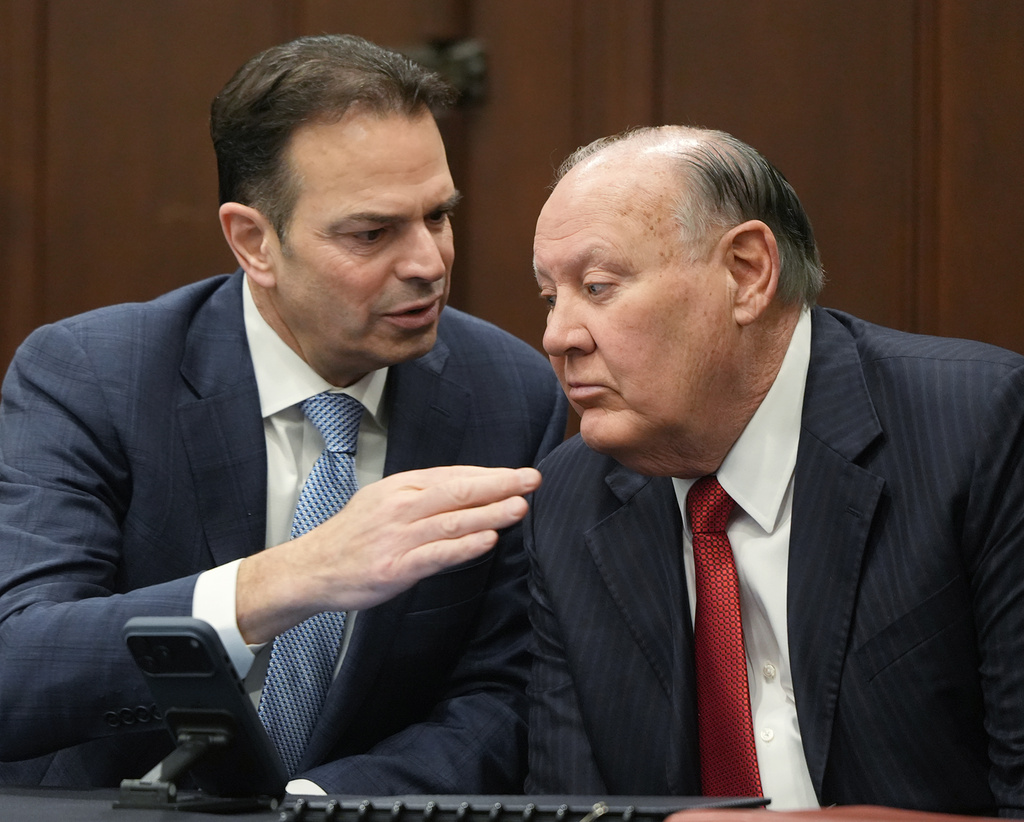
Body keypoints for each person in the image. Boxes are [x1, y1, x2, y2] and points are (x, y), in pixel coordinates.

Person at [0, 34, 567, 795]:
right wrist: (295, 577)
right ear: (254, 242)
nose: (428, 263)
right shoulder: (97, 376)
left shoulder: (510, 395)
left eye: (437, 216)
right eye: (372, 233)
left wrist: (315, 808)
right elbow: (17, 664)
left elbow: (501, 697)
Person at [525, 125, 1024, 816]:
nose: (558, 337)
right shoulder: (568, 502)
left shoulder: (977, 427)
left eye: (598, 286)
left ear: (747, 273)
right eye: (551, 298)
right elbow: (571, 808)